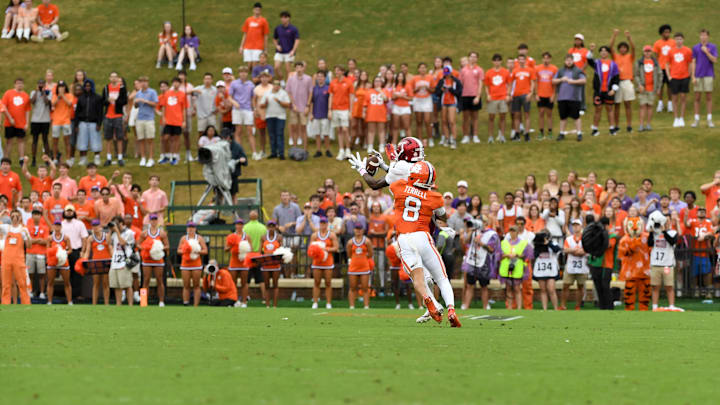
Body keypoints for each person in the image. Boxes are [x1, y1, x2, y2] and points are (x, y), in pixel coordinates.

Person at [462, 216, 499, 310]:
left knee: (484, 286)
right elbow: (465, 242)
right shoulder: (475, 231)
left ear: (486, 223)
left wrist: (481, 243)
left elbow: (492, 249)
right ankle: (465, 306)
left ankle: (485, 306)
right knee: (470, 285)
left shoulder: (492, 234)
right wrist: (470, 231)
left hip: (484, 263)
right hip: (472, 262)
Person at [647, 212, 679, 310]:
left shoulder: (673, 232)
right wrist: (652, 232)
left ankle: (671, 306)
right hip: (655, 264)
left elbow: (672, 241)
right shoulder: (655, 232)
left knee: (669, 286)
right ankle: (655, 306)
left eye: (667, 220)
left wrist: (664, 231)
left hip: (667, 264)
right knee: (655, 286)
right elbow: (649, 243)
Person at [0, 210, 31, 304]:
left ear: (20, 217)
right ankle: (5, 303)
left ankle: (26, 303)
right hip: (6, 259)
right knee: (6, 284)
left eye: (16, 216)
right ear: (10, 217)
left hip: (19, 259)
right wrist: (1, 214)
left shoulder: (23, 230)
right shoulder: (6, 228)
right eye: (13, 216)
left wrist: (28, 237)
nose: (14, 218)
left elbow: (29, 246)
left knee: (22, 283)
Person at [499, 225, 533, 309]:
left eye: (514, 231)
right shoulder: (504, 243)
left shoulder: (523, 243)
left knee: (517, 288)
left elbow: (528, 255)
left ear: (517, 232)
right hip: (506, 267)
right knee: (508, 288)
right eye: (510, 231)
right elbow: (498, 254)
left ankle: (519, 307)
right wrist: (506, 255)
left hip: (517, 267)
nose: (512, 233)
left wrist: (517, 255)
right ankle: (509, 307)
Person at [588, 45, 619, 136]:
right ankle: (595, 129)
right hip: (598, 91)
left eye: (605, 51)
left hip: (609, 91)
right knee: (598, 109)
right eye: (601, 51)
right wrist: (591, 50)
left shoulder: (613, 64)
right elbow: (589, 60)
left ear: (608, 53)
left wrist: (614, 90)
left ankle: (612, 129)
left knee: (609, 109)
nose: (603, 52)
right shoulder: (597, 63)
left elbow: (617, 78)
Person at [609, 29, 636, 133]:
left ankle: (629, 125)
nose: (623, 49)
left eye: (625, 48)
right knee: (617, 104)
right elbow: (610, 47)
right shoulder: (615, 56)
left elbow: (633, 48)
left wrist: (629, 38)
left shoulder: (630, 57)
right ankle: (616, 125)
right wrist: (614, 35)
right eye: (621, 48)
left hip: (627, 82)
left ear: (626, 49)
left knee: (628, 104)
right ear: (619, 49)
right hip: (617, 82)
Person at [138, 213, 168, 307]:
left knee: (159, 280)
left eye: (155, 219)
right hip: (147, 260)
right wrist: (146, 248)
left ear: (157, 221)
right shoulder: (145, 233)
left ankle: (161, 301)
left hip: (158, 260)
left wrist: (159, 248)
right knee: (146, 280)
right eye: (152, 219)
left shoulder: (162, 233)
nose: (154, 221)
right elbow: (138, 244)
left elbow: (167, 245)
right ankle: (143, 301)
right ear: (149, 221)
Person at [229, 66, 258, 160]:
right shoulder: (234, 83)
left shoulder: (251, 84)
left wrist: (254, 109)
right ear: (239, 73)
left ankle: (254, 153)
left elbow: (253, 98)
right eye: (241, 72)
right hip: (237, 110)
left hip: (248, 109)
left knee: (250, 131)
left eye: (245, 72)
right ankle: (240, 153)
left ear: (247, 74)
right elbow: (229, 97)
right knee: (238, 131)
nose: (243, 74)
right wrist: (234, 103)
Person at [685, 207, 714, 298]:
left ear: (705, 214)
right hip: (694, 251)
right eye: (700, 211)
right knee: (694, 273)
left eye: (703, 212)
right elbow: (687, 224)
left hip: (705, 252)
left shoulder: (708, 222)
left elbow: (711, 233)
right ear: (696, 213)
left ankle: (708, 291)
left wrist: (704, 236)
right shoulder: (693, 221)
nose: (701, 213)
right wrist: (686, 215)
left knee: (707, 273)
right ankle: (696, 290)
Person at [309, 217, 337, 309]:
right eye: (321, 223)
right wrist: (316, 250)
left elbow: (336, 248)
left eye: (324, 223)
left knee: (328, 282)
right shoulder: (315, 235)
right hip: (317, 262)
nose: (323, 225)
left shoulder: (331, 235)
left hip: (328, 262)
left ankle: (328, 303)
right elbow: (310, 248)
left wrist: (325, 249)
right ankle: (315, 302)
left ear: (327, 224)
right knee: (316, 282)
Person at [157, 77, 186, 165]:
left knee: (176, 138)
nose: (175, 84)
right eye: (174, 82)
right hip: (168, 120)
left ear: (180, 84)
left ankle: (175, 156)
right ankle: (166, 155)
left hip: (178, 120)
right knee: (165, 138)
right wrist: (164, 118)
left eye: (177, 82)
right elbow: (164, 106)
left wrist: (184, 121)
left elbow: (184, 108)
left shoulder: (182, 94)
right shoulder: (167, 94)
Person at [177, 221, 207, 307]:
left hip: (196, 264)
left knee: (196, 285)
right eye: (189, 227)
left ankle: (195, 305)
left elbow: (205, 250)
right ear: (187, 229)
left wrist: (197, 251)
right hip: (185, 264)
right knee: (186, 285)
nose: (191, 229)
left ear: (195, 229)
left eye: (192, 227)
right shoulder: (183, 238)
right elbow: (178, 250)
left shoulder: (199, 238)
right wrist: (185, 250)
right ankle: (186, 303)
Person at [560, 219, 588, 310]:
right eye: (574, 225)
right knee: (566, 285)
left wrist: (573, 251)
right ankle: (563, 305)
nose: (575, 227)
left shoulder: (585, 238)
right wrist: (576, 251)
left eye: (577, 225)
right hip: (571, 264)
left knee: (580, 286)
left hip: (582, 264)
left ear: (581, 227)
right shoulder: (569, 239)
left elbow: (586, 250)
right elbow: (565, 250)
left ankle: (578, 305)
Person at [691, 29, 717, 128]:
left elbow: (715, 60)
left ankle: (709, 119)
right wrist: (693, 76)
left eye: (705, 35)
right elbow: (693, 62)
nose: (703, 37)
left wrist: (706, 52)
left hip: (708, 75)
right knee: (697, 97)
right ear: (699, 36)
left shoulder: (712, 47)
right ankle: (696, 120)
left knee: (708, 97)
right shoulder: (695, 47)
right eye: (701, 35)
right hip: (698, 75)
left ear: (708, 37)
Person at [101, 72, 127, 167]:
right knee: (108, 137)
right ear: (109, 78)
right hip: (108, 115)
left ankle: (120, 157)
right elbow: (102, 101)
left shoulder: (121, 88)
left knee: (119, 137)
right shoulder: (106, 88)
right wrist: (108, 101)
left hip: (118, 115)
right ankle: (109, 157)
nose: (113, 78)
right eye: (112, 77)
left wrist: (116, 101)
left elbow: (125, 100)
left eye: (115, 77)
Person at [667, 32, 693, 127]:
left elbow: (690, 63)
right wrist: (669, 75)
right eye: (677, 39)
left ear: (683, 40)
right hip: (674, 77)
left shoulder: (687, 50)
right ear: (674, 40)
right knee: (674, 98)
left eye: (680, 39)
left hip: (684, 77)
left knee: (683, 97)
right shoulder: (671, 51)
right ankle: (676, 118)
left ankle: (682, 118)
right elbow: (666, 64)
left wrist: (689, 75)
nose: (679, 41)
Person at [75, 80, 103, 166]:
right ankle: (83, 159)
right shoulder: (81, 98)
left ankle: (97, 158)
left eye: (89, 86)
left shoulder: (97, 97)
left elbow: (100, 112)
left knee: (95, 141)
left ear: (92, 86)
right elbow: (77, 112)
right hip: (83, 122)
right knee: (82, 141)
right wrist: (76, 124)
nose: (87, 87)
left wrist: (99, 124)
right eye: (86, 86)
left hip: (93, 123)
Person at [83, 219, 112, 305]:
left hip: (106, 261)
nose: (95, 228)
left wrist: (113, 259)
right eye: (94, 226)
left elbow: (110, 248)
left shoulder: (106, 236)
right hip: (95, 262)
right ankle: (94, 304)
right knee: (96, 283)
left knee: (105, 283)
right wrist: (84, 260)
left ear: (100, 227)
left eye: (97, 226)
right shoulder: (91, 238)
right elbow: (87, 251)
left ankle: (106, 304)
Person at [260, 79, 290, 159]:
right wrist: (265, 103)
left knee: (279, 134)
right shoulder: (267, 93)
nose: (276, 86)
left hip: (280, 117)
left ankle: (281, 153)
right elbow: (261, 105)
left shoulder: (283, 93)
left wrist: (279, 102)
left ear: (279, 86)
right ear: (272, 85)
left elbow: (287, 104)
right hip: (270, 116)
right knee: (271, 135)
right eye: (275, 84)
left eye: (278, 85)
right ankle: (273, 152)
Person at [2, 78, 30, 163]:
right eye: (18, 83)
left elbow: (27, 110)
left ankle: (21, 159)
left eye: (21, 83)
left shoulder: (25, 96)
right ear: (15, 84)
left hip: (21, 123)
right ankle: (6, 160)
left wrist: (27, 123)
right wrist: (10, 118)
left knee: (21, 140)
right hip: (9, 122)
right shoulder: (8, 93)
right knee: (9, 141)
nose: (19, 85)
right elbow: (3, 107)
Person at [484, 54, 511, 143]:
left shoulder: (505, 72)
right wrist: (488, 95)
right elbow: (487, 86)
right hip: (493, 97)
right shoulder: (488, 72)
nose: (497, 62)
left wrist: (508, 94)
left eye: (498, 60)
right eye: (495, 60)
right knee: (491, 117)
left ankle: (502, 136)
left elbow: (509, 84)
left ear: (501, 61)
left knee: (502, 117)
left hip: (503, 97)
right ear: (493, 62)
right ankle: (490, 137)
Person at [635, 45, 662, 132]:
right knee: (642, 106)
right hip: (643, 88)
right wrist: (639, 85)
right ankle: (641, 125)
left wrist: (658, 87)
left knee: (650, 106)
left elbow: (660, 75)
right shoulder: (639, 62)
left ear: (651, 52)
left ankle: (648, 124)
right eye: (646, 51)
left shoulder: (655, 63)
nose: (647, 53)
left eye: (649, 51)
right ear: (643, 52)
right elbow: (636, 75)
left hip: (652, 88)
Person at [435, 63, 462, 148]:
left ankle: (453, 139)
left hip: (452, 102)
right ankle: (447, 138)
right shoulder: (441, 81)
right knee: (444, 121)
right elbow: (437, 92)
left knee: (451, 121)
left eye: (448, 73)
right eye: (445, 73)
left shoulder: (456, 81)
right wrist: (442, 90)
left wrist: (451, 89)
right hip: (444, 103)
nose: (446, 75)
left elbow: (459, 92)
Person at [532, 229, 561, 310]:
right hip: (541, 269)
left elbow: (557, 250)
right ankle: (544, 308)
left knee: (551, 289)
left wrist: (548, 243)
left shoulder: (553, 242)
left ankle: (556, 308)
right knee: (543, 290)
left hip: (550, 269)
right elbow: (535, 255)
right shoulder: (538, 244)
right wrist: (540, 245)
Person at [108, 216, 134, 306]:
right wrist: (111, 230)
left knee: (126, 285)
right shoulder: (114, 233)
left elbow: (122, 243)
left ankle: (130, 304)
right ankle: (118, 304)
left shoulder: (129, 232)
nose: (115, 225)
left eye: (117, 223)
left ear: (122, 223)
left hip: (124, 261)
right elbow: (108, 242)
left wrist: (117, 231)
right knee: (116, 285)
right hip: (115, 261)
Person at [346, 223, 373, 309]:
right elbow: (349, 254)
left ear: (363, 230)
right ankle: (352, 306)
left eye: (360, 229)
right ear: (354, 230)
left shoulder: (367, 241)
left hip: (364, 267)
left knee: (365, 288)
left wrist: (363, 259)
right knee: (352, 287)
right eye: (356, 229)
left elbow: (370, 253)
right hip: (353, 267)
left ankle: (366, 306)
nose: (358, 230)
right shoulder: (350, 242)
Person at [286, 62, 312, 150]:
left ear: (303, 68)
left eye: (300, 67)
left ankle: (305, 149)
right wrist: (293, 104)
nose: (299, 69)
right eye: (297, 67)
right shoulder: (291, 79)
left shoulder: (308, 79)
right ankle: (294, 148)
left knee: (303, 128)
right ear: (295, 68)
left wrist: (308, 106)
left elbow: (310, 92)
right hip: (294, 108)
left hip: (304, 107)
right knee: (294, 128)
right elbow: (288, 92)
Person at [459, 51, 484, 144]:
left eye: (475, 57)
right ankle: (465, 136)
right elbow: (460, 83)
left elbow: (481, 84)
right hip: (465, 96)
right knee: (465, 118)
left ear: (477, 58)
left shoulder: (480, 69)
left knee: (475, 118)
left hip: (475, 96)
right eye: (471, 56)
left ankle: (475, 135)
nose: (473, 58)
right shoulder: (463, 70)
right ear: (468, 58)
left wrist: (478, 96)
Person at [509, 54, 535, 142]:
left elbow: (533, 82)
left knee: (527, 114)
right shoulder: (515, 70)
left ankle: (527, 134)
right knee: (516, 115)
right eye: (519, 59)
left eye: (523, 59)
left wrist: (530, 93)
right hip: (516, 95)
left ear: (525, 60)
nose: (521, 61)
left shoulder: (530, 70)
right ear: (518, 61)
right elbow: (510, 83)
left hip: (525, 95)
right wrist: (510, 94)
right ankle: (517, 134)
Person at [132, 77, 157, 167]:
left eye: (145, 82)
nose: (143, 84)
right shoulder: (138, 93)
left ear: (147, 82)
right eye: (141, 82)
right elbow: (136, 106)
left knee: (150, 139)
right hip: (140, 118)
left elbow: (155, 104)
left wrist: (144, 101)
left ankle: (151, 158)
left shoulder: (152, 92)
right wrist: (136, 102)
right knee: (141, 139)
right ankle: (143, 158)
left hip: (149, 118)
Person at [328, 65, 352, 160]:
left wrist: (350, 111)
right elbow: (331, 96)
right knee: (339, 130)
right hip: (335, 109)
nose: (336, 72)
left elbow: (351, 97)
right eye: (335, 71)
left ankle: (348, 150)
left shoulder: (348, 82)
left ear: (342, 71)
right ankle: (341, 150)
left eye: (338, 71)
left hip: (345, 109)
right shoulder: (333, 82)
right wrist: (329, 110)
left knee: (345, 129)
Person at [409, 62, 434, 146]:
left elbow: (433, 90)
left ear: (426, 69)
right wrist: (417, 89)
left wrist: (428, 88)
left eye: (424, 68)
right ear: (418, 69)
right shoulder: (415, 78)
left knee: (427, 121)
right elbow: (411, 91)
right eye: (421, 68)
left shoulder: (430, 77)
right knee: (419, 121)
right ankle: (419, 140)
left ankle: (430, 138)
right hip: (418, 100)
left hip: (427, 100)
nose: (422, 69)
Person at [46, 219, 70, 304]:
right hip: (53, 261)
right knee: (50, 282)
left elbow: (70, 249)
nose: (57, 227)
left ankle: (70, 302)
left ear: (61, 227)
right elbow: (48, 250)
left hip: (63, 261)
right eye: (56, 225)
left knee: (66, 282)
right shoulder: (50, 238)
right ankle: (49, 301)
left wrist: (63, 253)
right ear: (53, 226)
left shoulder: (66, 237)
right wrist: (54, 253)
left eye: (59, 225)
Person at [25, 208, 48, 300]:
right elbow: (27, 242)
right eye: (34, 214)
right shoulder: (28, 227)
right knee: (30, 274)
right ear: (32, 216)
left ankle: (42, 292)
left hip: (41, 254)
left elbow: (46, 241)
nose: (36, 216)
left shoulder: (45, 227)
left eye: (38, 215)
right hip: (30, 253)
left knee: (42, 274)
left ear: (40, 216)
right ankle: (30, 291)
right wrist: (38, 240)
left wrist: (33, 241)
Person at [308, 70, 331, 157]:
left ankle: (328, 150)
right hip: (316, 115)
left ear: (325, 78)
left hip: (325, 114)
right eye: (318, 76)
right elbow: (311, 102)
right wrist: (311, 114)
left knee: (326, 134)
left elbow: (330, 101)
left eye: (321, 76)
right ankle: (318, 150)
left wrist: (329, 111)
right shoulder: (314, 89)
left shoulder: (328, 88)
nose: (320, 78)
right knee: (317, 134)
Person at [364, 76, 390, 153]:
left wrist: (380, 91)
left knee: (381, 130)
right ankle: (370, 145)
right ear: (373, 82)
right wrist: (364, 112)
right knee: (371, 131)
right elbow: (365, 103)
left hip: (381, 113)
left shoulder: (384, 90)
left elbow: (386, 99)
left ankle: (381, 145)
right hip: (371, 113)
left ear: (381, 83)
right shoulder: (369, 91)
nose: (377, 83)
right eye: (376, 81)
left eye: (379, 81)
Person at [653, 24, 675, 113]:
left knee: (670, 86)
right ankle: (660, 103)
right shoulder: (657, 43)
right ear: (662, 33)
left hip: (670, 68)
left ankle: (670, 104)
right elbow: (656, 55)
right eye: (665, 32)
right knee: (660, 86)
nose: (667, 34)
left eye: (668, 32)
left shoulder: (673, 42)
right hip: (661, 68)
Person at [535, 52, 558, 140]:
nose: (546, 60)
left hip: (549, 94)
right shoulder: (537, 68)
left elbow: (555, 84)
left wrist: (553, 95)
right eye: (544, 58)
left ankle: (550, 132)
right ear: (542, 59)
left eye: (548, 58)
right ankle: (541, 132)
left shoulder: (554, 69)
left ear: (550, 59)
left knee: (549, 114)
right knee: (541, 113)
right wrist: (536, 94)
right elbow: (536, 82)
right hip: (540, 94)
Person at [239, 2, 269, 69]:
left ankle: (254, 78)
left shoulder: (263, 21)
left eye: (258, 10)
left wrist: (265, 48)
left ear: (261, 11)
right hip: (248, 46)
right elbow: (245, 34)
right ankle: (250, 78)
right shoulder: (248, 20)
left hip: (258, 46)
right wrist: (241, 46)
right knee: (248, 65)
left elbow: (265, 35)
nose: (257, 11)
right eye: (256, 9)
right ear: (253, 10)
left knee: (254, 64)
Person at [260, 221, 282, 307]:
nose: (271, 228)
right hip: (266, 264)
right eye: (270, 226)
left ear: (275, 227)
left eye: (273, 226)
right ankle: (268, 305)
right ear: (267, 227)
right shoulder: (263, 237)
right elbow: (260, 251)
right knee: (267, 285)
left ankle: (275, 305)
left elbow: (282, 250)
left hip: (275, 265)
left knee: (275, 285)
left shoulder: (279, 237)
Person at [29, 78, 51, 166]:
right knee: (35, 140)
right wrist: (36, 92)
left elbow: (47, 102)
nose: (41, 85)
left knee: (45, 140)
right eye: (39, 84)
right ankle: (33, 159)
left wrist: (44, 93)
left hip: (45, 120)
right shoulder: (33, 92)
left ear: (45, 85)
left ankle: (47, 159)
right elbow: (32, 101)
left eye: (42, 84)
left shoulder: (48, 92)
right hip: (35, 120)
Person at [273, 11, 299, 81]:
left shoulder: (293, 29)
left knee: (288, 70)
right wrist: (277, 46)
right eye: (282, 17)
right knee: (276, 67)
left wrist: (293, 50)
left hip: (289, 52)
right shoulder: (278, 28)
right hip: (279, 52)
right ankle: (281, 81)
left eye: (285, 17)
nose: (283, 19)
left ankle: (288, 86)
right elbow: (274, 39)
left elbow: (297, 40)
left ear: (288, 18)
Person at [568, 33, 590, 112]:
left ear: (582, 41)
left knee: (581, 90)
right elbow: (568, 60)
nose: (577, 41)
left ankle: (582, 106)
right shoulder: (571, 50)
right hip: (571, 72)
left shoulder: (585, 51)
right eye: (576, 40)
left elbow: (587, 62)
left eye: (579, 40)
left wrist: (580, 70)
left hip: (581, 73)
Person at [390, 71, 412, 145]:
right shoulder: (394, 86)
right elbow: (392, 97)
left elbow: (411, 98)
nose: (400, 78)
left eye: (401, 76)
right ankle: (394, 143)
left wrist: (403, 96)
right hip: (396, 107)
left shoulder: (407, 85)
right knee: (395, 126)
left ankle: (410, 143)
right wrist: (396, 96)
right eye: (399, 76)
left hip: (405, 107)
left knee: (406, 126)